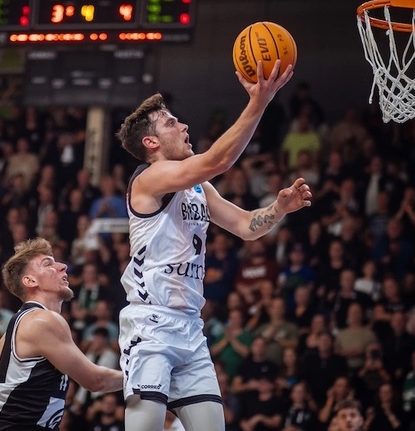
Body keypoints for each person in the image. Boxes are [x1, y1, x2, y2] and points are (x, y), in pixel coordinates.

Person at [115, 60, 310, 431]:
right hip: (150, 325)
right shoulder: (150, 178)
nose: (184, 125)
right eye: (172, 122)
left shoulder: (197, 187)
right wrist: (260, 100)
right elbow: (219, 160)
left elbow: (244, 226)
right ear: (151, 142)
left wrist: (278, 208)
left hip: (190, 326)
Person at [0, 237, 123, 431]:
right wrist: (147, 378)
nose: (63, 266)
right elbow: (96, 381)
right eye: (48, 264)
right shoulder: (43, 321)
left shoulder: (21, 323)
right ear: (30, 280)